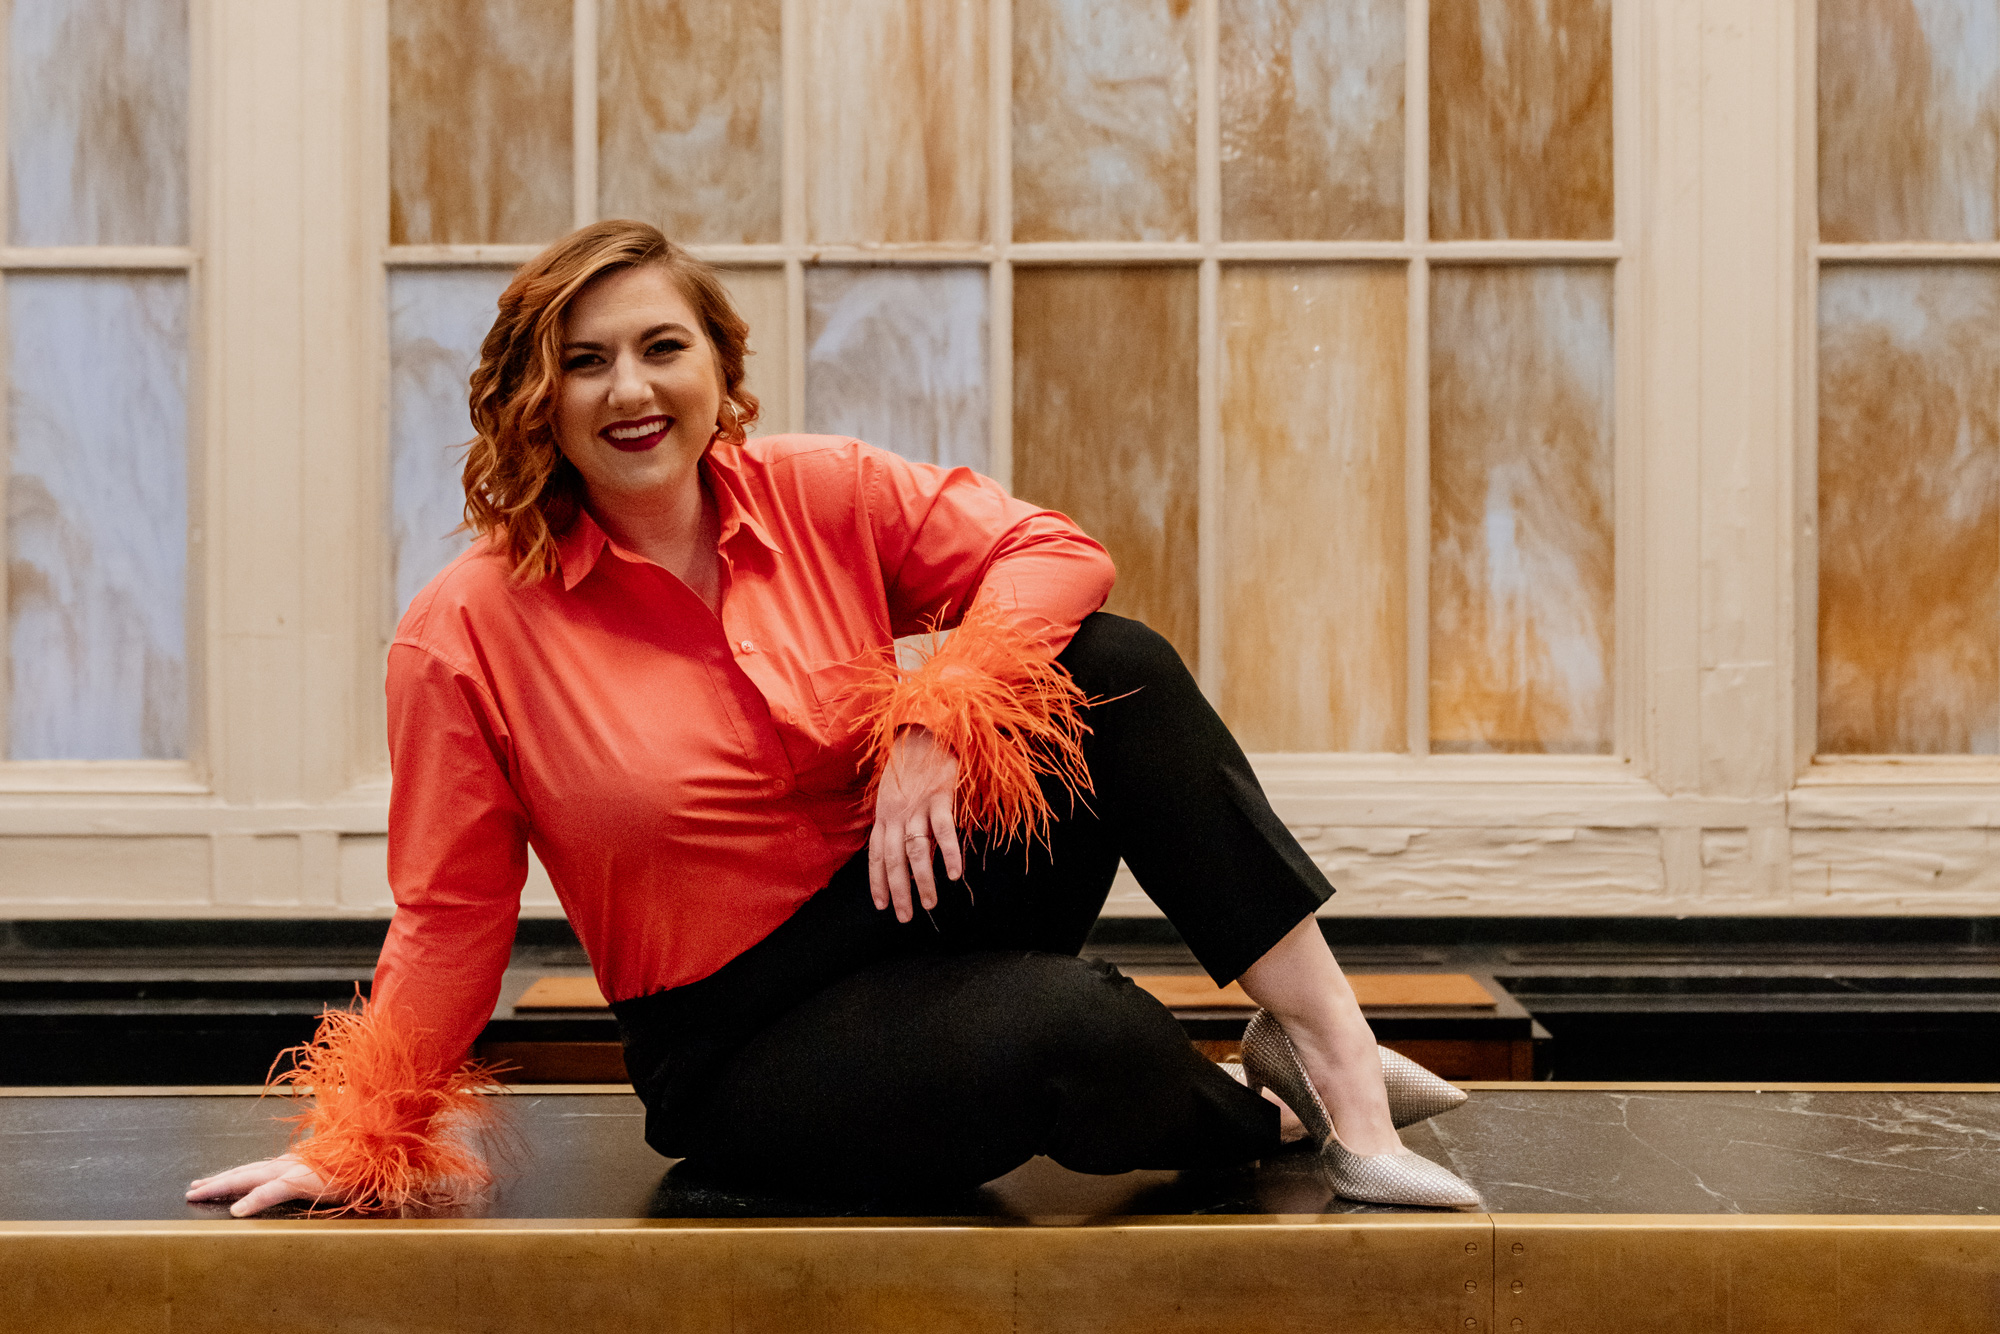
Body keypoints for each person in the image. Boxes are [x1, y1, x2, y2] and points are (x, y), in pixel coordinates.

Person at [187, 220, 1479, 1217]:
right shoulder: (464, 628)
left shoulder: (820, 491)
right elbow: (452, 915)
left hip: (902, 902)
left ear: (716, 363)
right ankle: (1269, 1118)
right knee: (1078, 1031)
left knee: (1110, 666)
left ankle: (1337, 1054)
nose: (629, 389)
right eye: (583, 362)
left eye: (659, 346)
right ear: (535, 398)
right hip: (745, 1043)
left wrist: (932, 714)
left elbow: (1054, 553)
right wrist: (349, 1142)